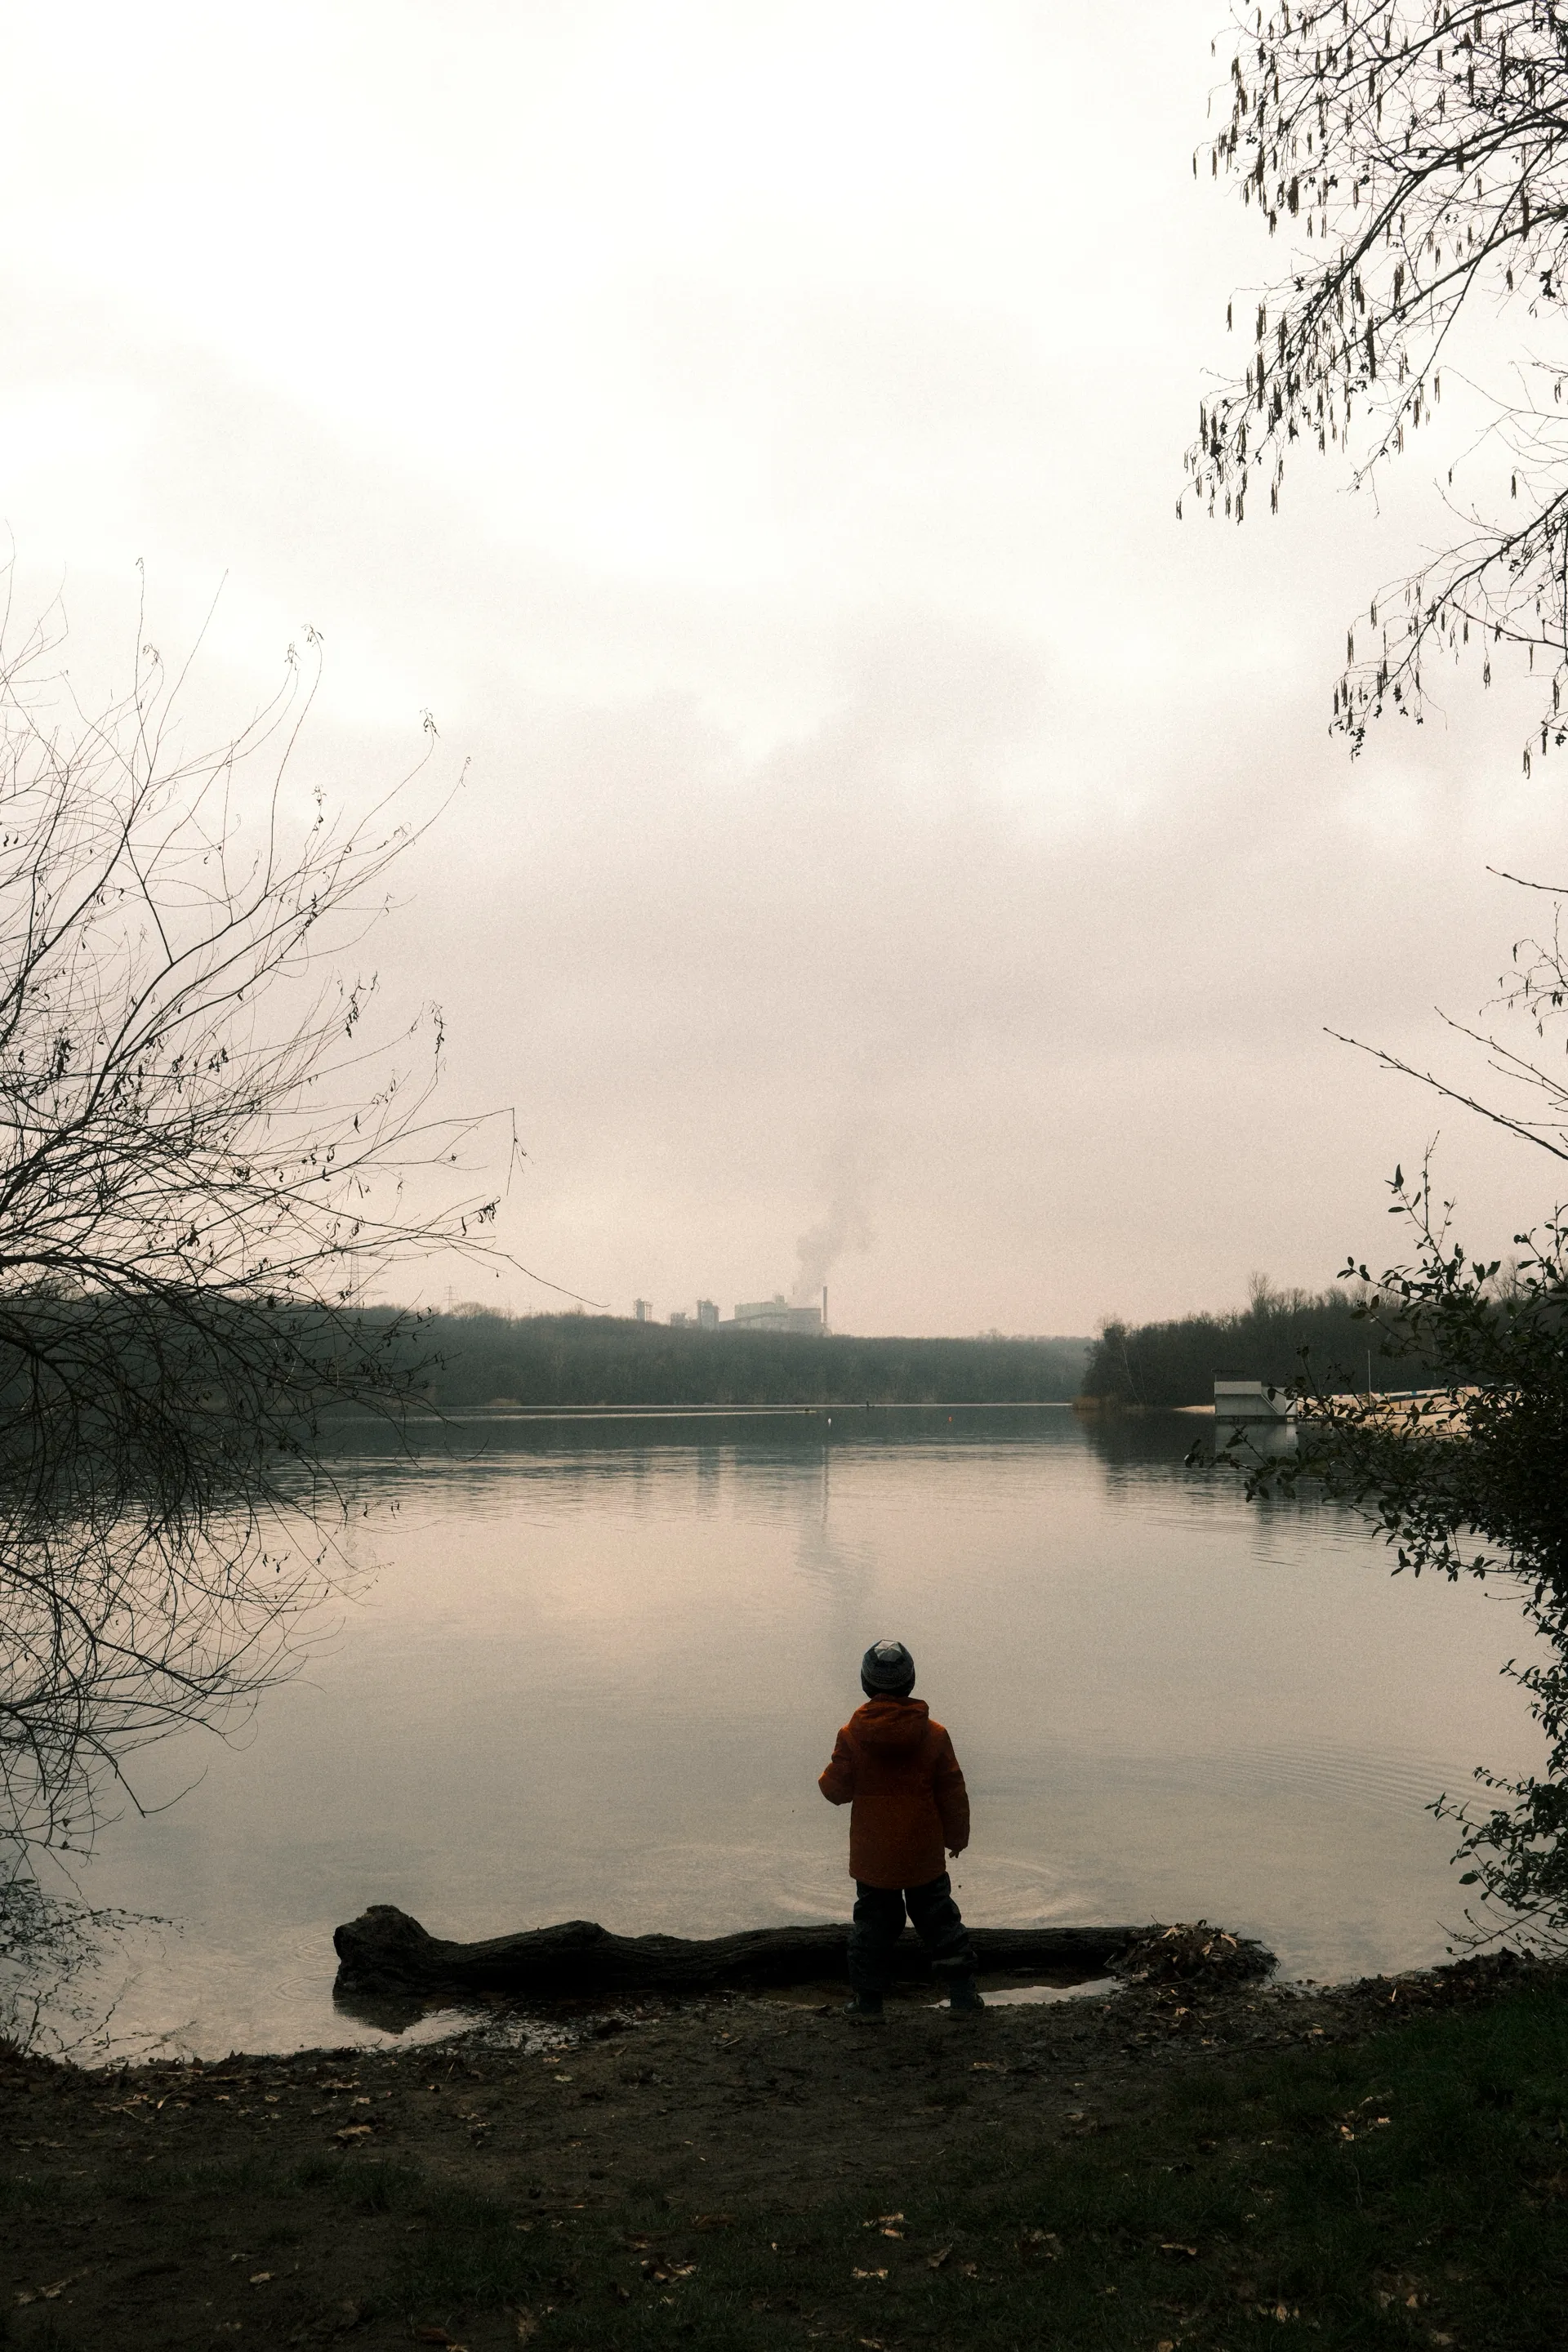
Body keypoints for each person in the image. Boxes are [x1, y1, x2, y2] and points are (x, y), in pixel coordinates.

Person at [817, 1638, 983, 2018]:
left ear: (865, 1684)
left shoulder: (852, 1735)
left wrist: (827, 1777)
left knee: (872, 1929)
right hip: (923, 1855)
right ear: (910, 1683)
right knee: (941, 1924)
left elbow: (835, 1792)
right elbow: (953, 1792)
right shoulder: (935, 1734)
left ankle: (868, 2003)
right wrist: (957, 1838)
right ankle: (963, 1998)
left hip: (874, 1859)